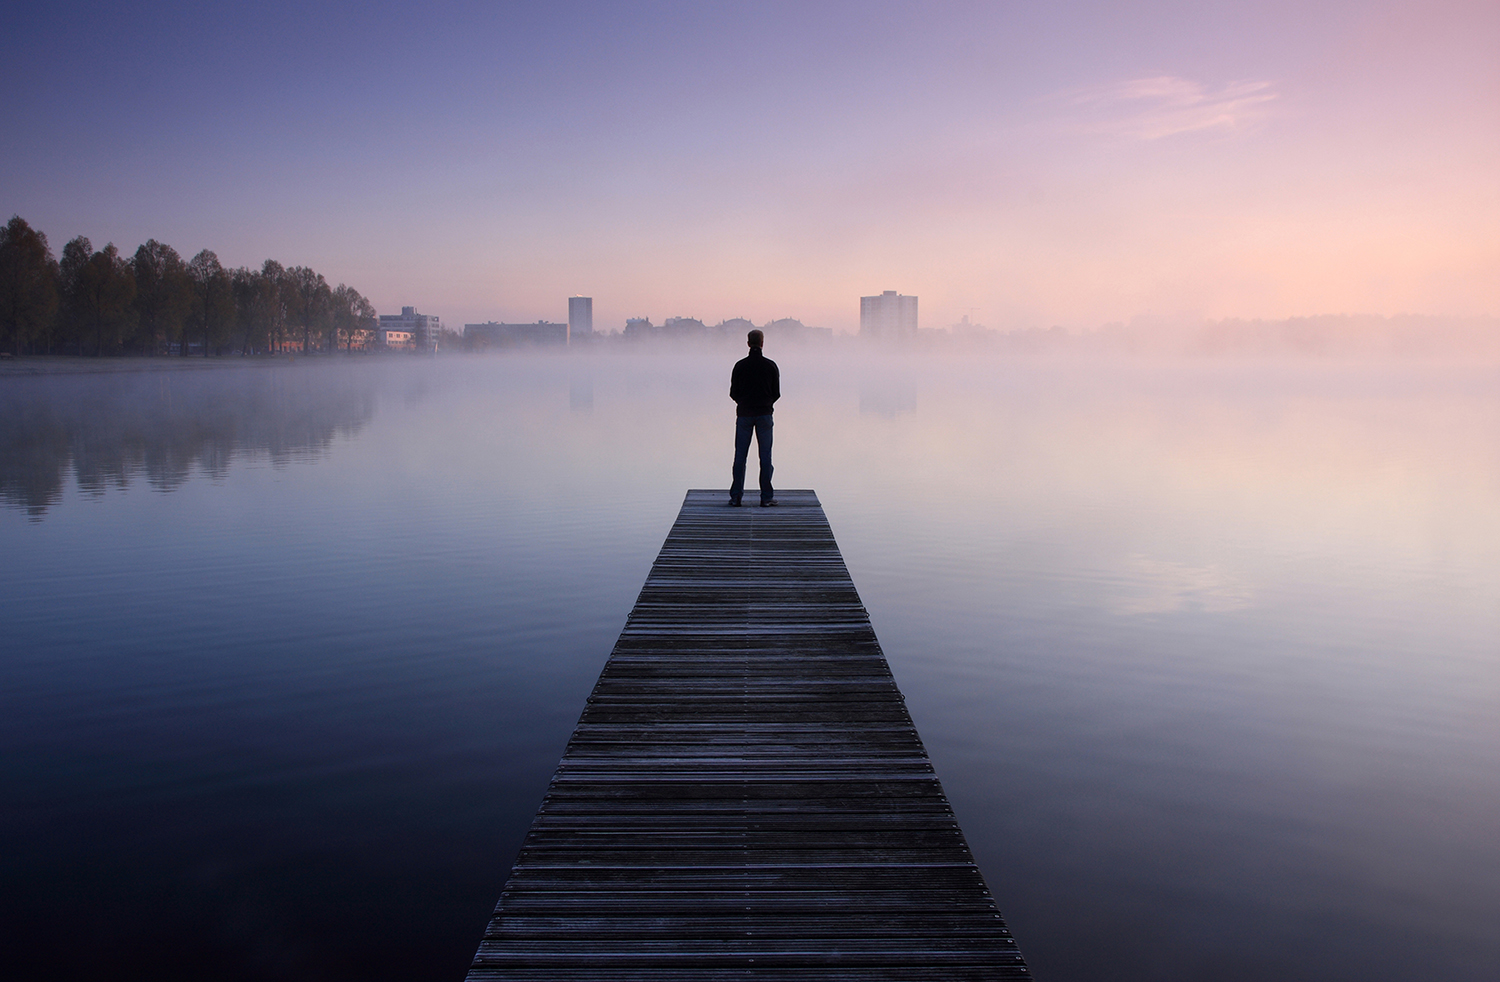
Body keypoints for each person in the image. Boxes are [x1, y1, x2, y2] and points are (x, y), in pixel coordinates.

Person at [728, 329, 779, 507]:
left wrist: (743, 402)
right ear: (762, 343)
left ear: (748, 343)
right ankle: (766, 497)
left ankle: (736, 497)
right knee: (765, 457)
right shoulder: (770, 366)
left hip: (744, 415)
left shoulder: (740, 366)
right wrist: (765, 403)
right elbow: (776, 393)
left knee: (740, 456)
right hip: (765, 414)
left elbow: (733, 392)